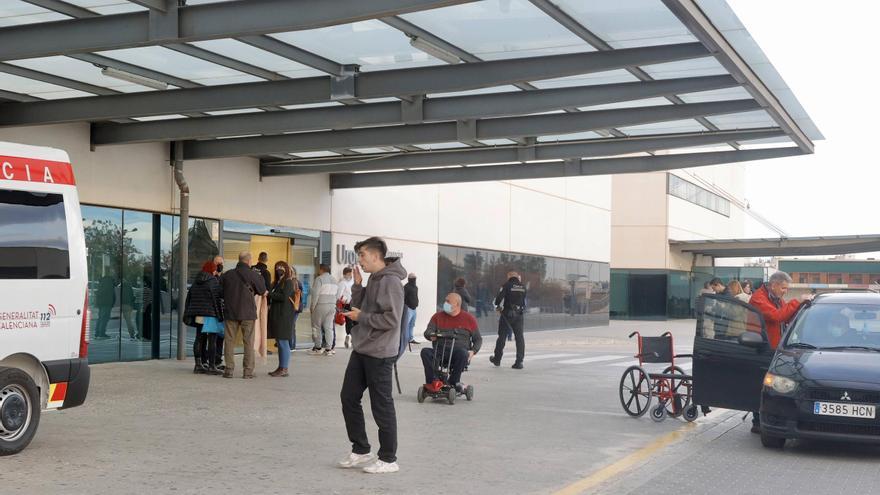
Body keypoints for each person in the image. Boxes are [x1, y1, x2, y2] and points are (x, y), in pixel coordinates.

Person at [338, 237, 406, 474]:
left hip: (380, 353)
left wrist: (362, 318)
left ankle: (388, 459)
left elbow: (392, 319)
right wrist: (357, 286)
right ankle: (361, 449)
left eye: (362, 255)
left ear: (376, 256)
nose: (360, 260)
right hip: (363, 349)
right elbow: (361, 309)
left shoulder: (390, 282)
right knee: (348, 397)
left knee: (381, 405)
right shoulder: (374, 279)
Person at [748, 271, 812, 432]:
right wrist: (797, 301)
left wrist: (799, 308)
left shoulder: (775, 298)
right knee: (763, 385)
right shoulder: (758, 298)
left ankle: (768, 419)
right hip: (762, 348)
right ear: (774, 284)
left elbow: (786, 316)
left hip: (775, 348)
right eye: (784, 288)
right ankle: (758, 422)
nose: (785, 291)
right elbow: (777, 316)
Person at [220, 252, 268, 379]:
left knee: (229, 341)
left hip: (231, 312)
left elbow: (220, 292)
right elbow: (262, 290)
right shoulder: (253, 274)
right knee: (248, 342)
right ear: (248, 261)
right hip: (248, 313)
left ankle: (229, 370)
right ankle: (248, 371)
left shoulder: (227, 275)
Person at [421, 293, 481, 393]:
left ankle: (453, 382)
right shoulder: (437, 317)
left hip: (458, 353)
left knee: (463, 353)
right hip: (440, 352)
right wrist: (431, 335)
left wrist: (473, 351)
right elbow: (427, 331)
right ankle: (433, 382)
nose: (445, 303)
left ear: (457, 305)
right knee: (425, 352)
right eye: (445, 301)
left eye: (448, 302)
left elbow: (478, 339)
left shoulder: (469, 319)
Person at [184, 260, 224, 375]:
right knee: (212, 340)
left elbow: (189, 297)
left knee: (199, 339)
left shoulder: (196, 282)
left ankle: (198, 365)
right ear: (212, 269)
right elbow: (219, 296)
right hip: (210, 314)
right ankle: (212, 366)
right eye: (215, 269)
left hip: (198, 315)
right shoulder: (213, 281)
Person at [490, 271, 527, 369]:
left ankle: (497, 359)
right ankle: (519, 362)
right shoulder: (523, 286)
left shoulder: (507, 285)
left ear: (509, 276)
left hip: (507, 314)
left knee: (502, 337)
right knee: (519, 338)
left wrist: (498, 306)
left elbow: (498, 299)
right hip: (519, 314)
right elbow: (524, 300)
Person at [267, 261, 296, 377]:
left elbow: (284, 297)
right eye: (277, 267)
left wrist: (269, 294)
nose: (279, 269)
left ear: (286, 269)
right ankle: (281, 367)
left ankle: (284, 368)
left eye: (281, 267)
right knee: (279, 342)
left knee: (283, 342)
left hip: (284, 317)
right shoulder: (278, 282)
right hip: (278, 316)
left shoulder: (288, 282)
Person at [309, 264, 338, 356]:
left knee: (316, 326)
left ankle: (318, 347)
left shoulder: (319, 279)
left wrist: (312, 306)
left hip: (320, 305)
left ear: (321, 270)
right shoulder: (334, 280)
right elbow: (337, 295)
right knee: (329, 327)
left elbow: (315, 294)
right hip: (332, 305)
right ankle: (329, 349)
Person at [252, 252, 271, 359]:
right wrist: (268, 304)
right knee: (260, 324)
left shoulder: (251, 268)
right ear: (266, 259)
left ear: (258, 258)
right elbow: (267, 289)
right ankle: (260, 346)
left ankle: (252, 344)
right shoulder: (266, 272)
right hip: (260, 301)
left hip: (248, 300)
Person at [93, 270, 116, 340]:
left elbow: (99, 293)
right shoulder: (109, 282)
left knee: (100, 318)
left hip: (101, 303)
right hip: (107, 303)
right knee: (105, 318)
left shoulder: (102, 281)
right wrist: (112, 302)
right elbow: (111, 294)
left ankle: (97, 333)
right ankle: (101, 333)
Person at [212, 255, 226, 369]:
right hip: (212, 311)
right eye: (217, 263)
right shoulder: (210, 277)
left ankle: (217, 359)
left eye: (221, 263)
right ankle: (210, 360)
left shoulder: (225, 277)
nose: (219, 265)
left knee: (221, 336)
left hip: (222, 312)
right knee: (211, 336)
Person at [337, 267, 355, 349]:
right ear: (344, 274)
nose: (350, 275)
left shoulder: (353, 281)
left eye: (351, 273)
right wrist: (345, 299)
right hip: (347, 304)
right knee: (349, 321)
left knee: (355, 321)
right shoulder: (342, 283)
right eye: (348, 274)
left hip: (355, 304)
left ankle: (353, 337)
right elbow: (339, 295)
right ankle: (348, 335)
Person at [289, 267, 304, 352]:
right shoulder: (295, 282)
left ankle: (292, 346)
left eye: (291, 271)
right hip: (295, 307)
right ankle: (291, 345)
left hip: (294, 307)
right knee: (291, 325)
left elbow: (300, 296)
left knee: (291, 325)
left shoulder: (295, 282)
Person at [403, 273, 419, 347]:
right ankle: (405, 339)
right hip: (408, 308)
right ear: (409, 278)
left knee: (412, 324)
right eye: (413, 277)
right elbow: (403, 297)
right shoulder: (406, 287)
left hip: (414, 309)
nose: (414, 279)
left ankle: (410, 338)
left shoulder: (415, 287)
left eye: (414, 277)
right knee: (406, 324)